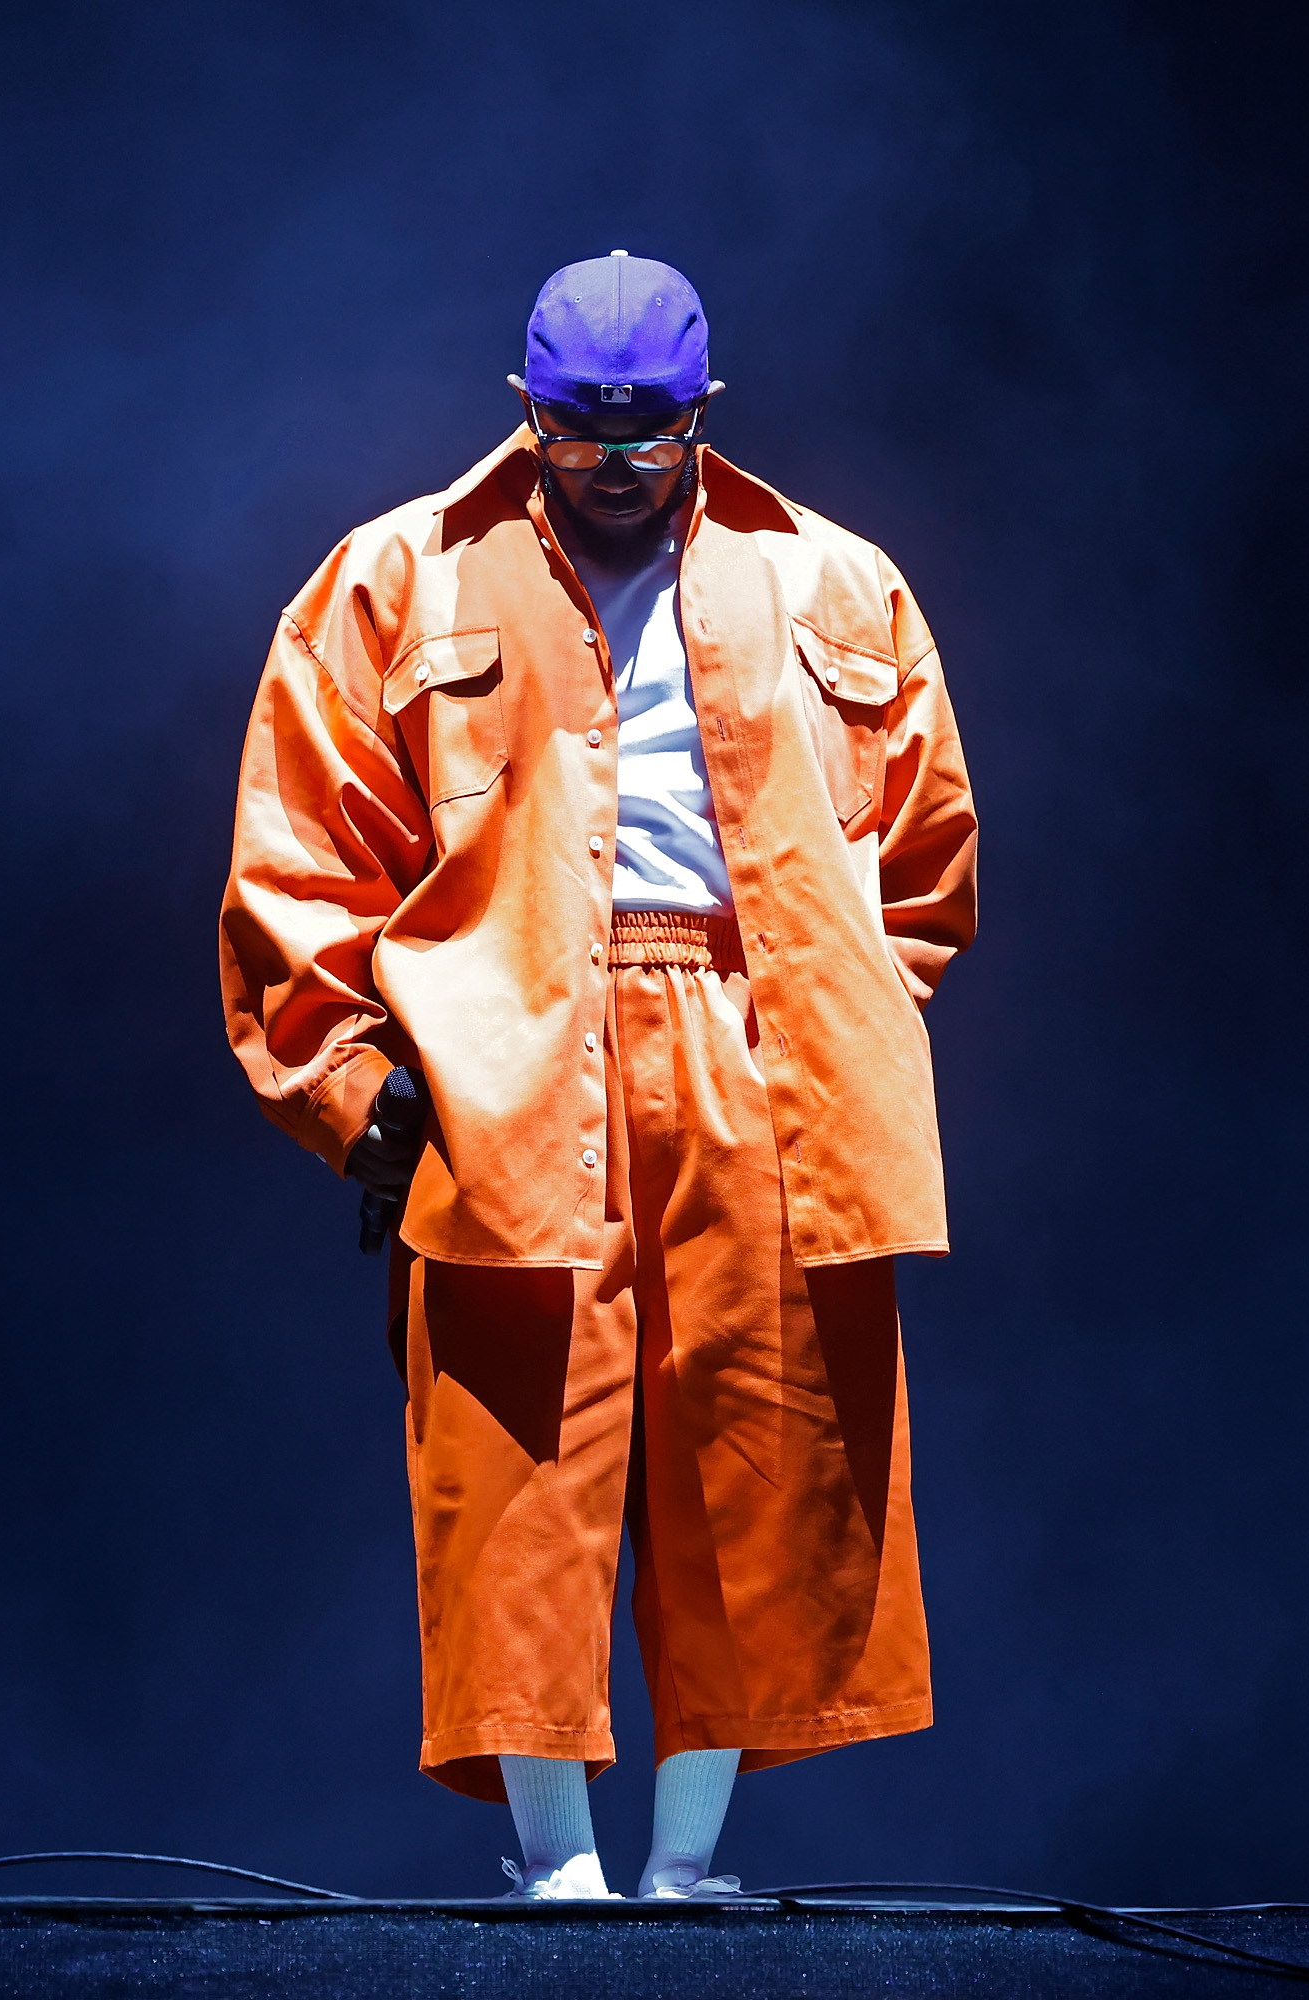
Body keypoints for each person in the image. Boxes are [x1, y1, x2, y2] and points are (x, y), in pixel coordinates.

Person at [218, 252, 977, 1899]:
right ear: (527, 412)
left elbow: (922, 857)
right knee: (517, 1457)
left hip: (747, 1029)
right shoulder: (398, 581)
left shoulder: (837, 584)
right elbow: (299, 858)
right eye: (582, 433)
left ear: (705, 415)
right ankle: (557, 1868)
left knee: (755, 1443)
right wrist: (358, 1096)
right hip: (505, 1038)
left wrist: (835, 1019)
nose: (617, 465)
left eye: (649, 436)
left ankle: (690, 1858)